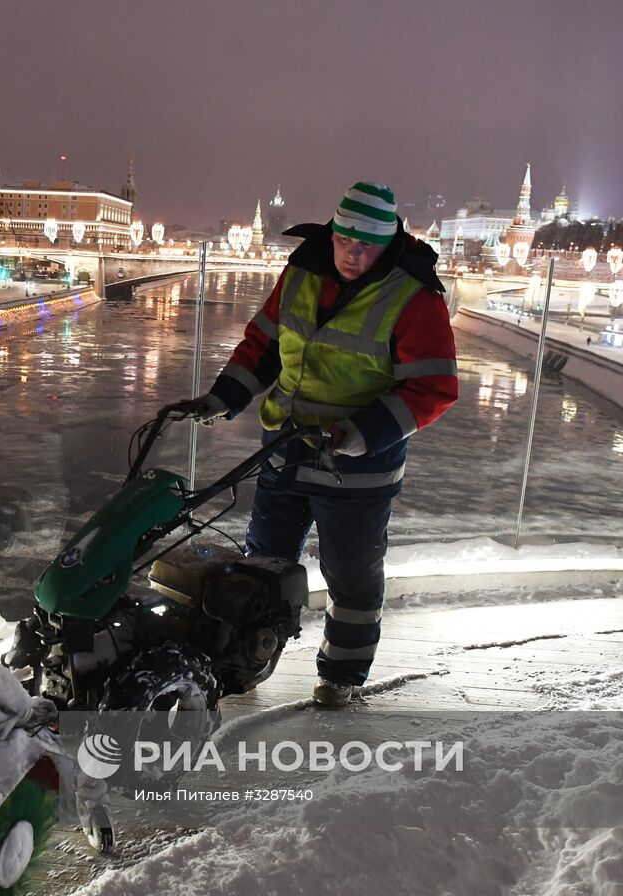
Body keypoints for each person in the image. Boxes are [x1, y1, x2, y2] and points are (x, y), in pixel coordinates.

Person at [177, 182, 459, 707]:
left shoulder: (414, 297)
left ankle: (341, 678)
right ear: (332, 232)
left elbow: (433, 387)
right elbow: (263, 345)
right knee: (262, 564)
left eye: (368, 245)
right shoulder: (301, 272)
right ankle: (242, 662)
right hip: (285, 452)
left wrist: (359, 434)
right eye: (345, 240)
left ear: (389, 241)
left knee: (350, 577)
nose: (354, 254)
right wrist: (224, 397)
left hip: (357, 472)